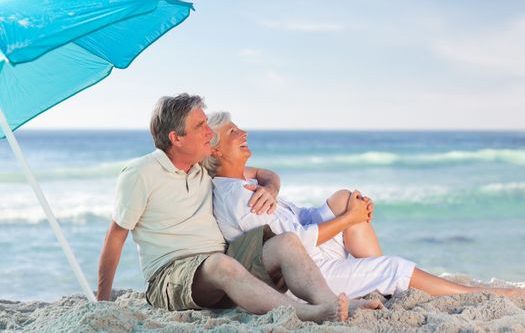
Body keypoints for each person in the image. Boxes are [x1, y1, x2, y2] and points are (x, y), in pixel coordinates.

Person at [96, 93, 382, 323]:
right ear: (176, 138)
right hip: (172, 277)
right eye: (200, 127)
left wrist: (270, 190)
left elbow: (266, 174)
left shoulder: (202, 169)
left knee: (287, 242)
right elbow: (116, 236)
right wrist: (103, 300)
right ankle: (307, 313)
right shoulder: (140, 173)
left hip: (223, 267)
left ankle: (330, 303)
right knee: (221, 264)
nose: (210, 133)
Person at [203, 111, 525, 300]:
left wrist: (273, 186)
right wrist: (349, 219)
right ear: (215, 152)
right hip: (305, 272)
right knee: (394, 266)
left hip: (310, 249)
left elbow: (269, 178)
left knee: (344, 197)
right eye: (233, 132)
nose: (243, 132)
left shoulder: (239, 179)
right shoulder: (238, 198)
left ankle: (381, 284)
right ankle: (480, 294)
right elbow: (295, 244)